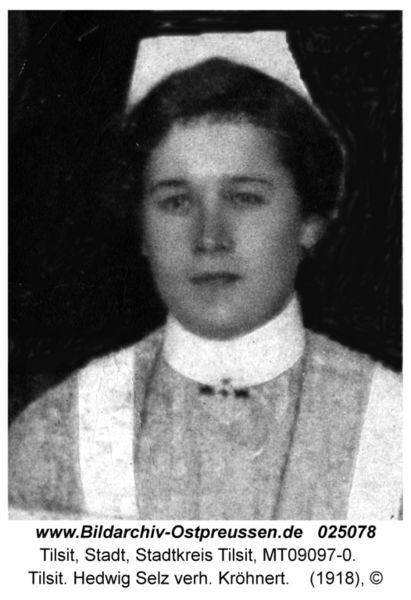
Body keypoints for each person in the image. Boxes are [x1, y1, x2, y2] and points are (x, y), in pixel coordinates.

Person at [9, 53, 402, 520]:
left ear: (310, 220)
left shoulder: (395, 425)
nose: (210, 238)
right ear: (142, 229)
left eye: (244, 198)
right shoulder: (55, 435)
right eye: (176, 202)